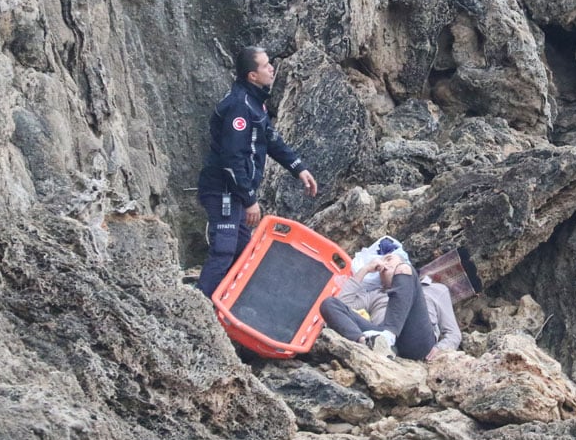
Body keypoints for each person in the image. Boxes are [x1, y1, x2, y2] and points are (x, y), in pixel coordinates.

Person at [196, 47, 318, 297]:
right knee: (224, 250)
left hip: (237, 192)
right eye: (265, 66)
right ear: (252, 75)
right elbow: (232, 158)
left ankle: (229, 305)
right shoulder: (239, 107)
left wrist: (299, 168)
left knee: (244, 251)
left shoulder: (255, 102)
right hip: (223, 190)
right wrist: (250, 199)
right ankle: (199, 308)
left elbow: (271, 140)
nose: (272, 68)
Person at [321, 254, 461, 361]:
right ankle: (366, 343)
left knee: (404, 270)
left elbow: (453, 333)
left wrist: (439, 348)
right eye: (381, 263)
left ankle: (389, 335)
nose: (383, 264)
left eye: (389, 259)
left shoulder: (434, 290)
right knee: (329, 303)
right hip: (380, 337)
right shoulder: (375, 294)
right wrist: (365, 269)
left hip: (416, 339)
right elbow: (343, 304)